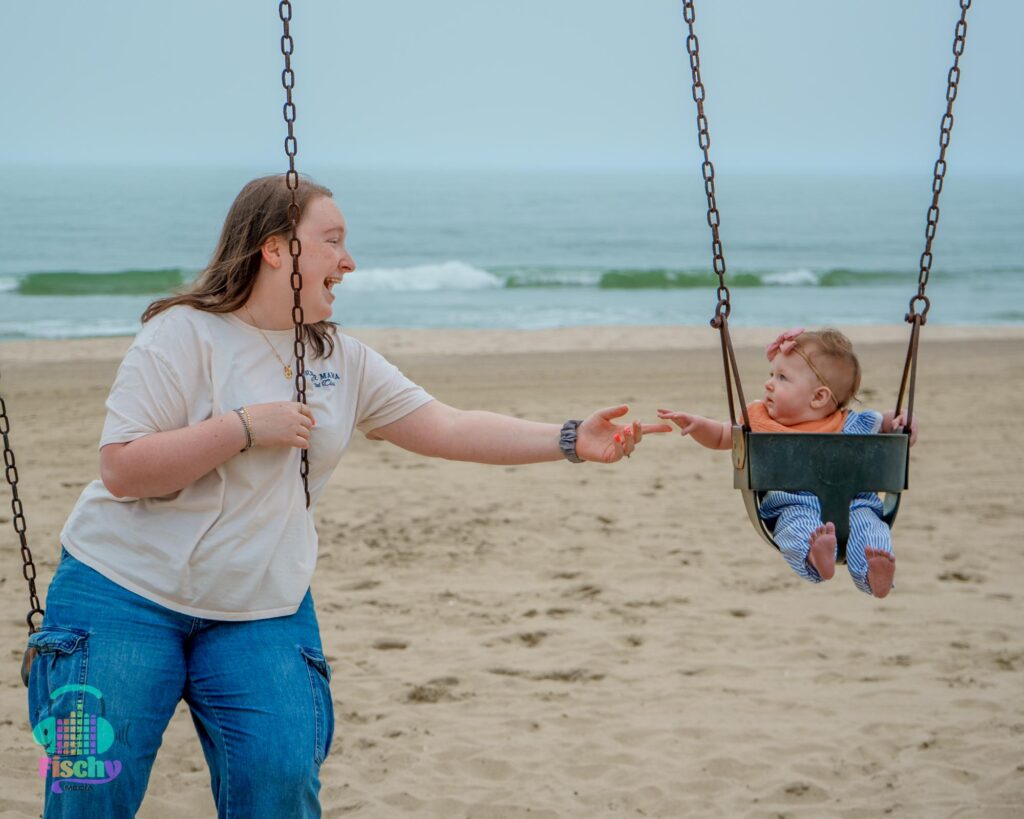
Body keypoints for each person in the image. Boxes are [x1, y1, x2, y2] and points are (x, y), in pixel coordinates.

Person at [26, 174, 672, 818]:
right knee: (88, 786)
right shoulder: (180, 334)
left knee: (281, 782)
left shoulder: (342, 358)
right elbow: (123, 470)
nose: (349, 261)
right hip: (121, 590)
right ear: (274, 248)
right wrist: (243, 428)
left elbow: (447, 426)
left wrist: (568, 438)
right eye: (332, 241)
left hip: (259, 603)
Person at [657, 328, 917, 599]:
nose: (769, 384)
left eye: (782, 377)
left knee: (871, 527)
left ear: (819, 397)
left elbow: (892, 425)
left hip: (854, 505)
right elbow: (723, 435)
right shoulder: (759, 419)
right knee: (794, 528)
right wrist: (699, 425)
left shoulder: (852, 423)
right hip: (793, 505)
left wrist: (905, 421)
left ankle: (875, 573)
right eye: (772, 374)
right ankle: (816, 555)